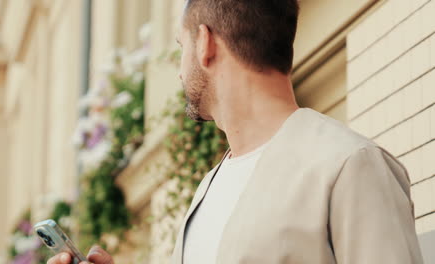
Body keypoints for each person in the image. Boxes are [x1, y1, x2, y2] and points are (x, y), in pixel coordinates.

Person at [48, 0, 424, 263]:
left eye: (182, 47)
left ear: (206, 43)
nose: (179, 71)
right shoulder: (211, 185)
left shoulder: (349, 166)